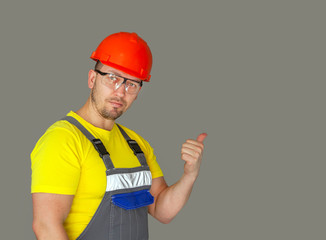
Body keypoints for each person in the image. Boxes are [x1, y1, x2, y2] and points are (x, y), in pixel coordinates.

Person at [31, 32, 207, 240]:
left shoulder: (136, 144)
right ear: (92, 78)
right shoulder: (63, 140)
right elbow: (46, 226)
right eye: (113, 78)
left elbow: (161, 209)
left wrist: (190, 174)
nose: (121, 92)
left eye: (131, 84)